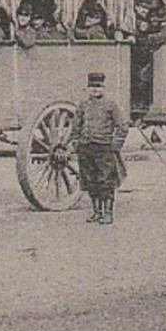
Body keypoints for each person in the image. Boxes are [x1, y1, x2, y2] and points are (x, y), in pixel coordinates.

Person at [71, 72, 127, 225]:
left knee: (106, 180)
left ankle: (108, 214)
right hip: (86, 147)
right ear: (88, 88)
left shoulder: (111, 105)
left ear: (103, 87)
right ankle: (97, 212)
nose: (95, 90)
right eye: (92, 86)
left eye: (98, 86)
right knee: (90, 180)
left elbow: (122, 126)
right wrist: (75, 141)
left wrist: (115, 145)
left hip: (104, 148)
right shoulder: (83, 105)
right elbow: (76, 125)